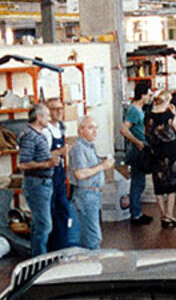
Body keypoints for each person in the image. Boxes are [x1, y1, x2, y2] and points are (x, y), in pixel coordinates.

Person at [19, 102, 62, 255]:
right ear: (38, 117)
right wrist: (48, 163)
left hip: (45, 183)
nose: (50, 118)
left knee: (40, 224)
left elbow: (40, 156)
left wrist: (53, 156)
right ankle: (39, 260)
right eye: (47, 115)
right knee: (44, 225)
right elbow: (23, 164)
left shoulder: (40, 135)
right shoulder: (30, 136)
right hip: (36, 184)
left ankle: (38, 256)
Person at [67, 115, 115, 250]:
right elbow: (80, 174)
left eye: (95, 128)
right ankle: (94, 265)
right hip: (85, 194)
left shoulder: (89, 147)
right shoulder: (79, 148)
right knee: (93, 236)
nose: (95, 131)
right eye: (90, 128)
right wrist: (102, 167)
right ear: (80, 130)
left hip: (93, 194)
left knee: (89, 233)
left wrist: (102, 161)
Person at [144, 89, 176, 227]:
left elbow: (147, 133)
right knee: (172, 183)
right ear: (167, 101)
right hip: (171, 151)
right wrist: (175, 115)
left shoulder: (148, 116)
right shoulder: (169, 115)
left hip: (155, 152)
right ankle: (169, 214)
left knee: (158, 183)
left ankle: (162, 214)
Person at [118, 81, 153, 226]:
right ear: (142, 94)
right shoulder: (134, 110)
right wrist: (138, 142)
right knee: (138, 183)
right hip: (137, 150)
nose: (150, 97)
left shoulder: (140, 109)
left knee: (140, 182)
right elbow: (124, 129)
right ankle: (135, 214)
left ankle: (137, 211)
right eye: (149, 94)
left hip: (142, 147)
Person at [45, 97, 77, 251]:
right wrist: (59, 152)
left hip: (59, 175)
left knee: (62, 211)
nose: (59, 112)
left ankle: (62, 247)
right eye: (54, 109)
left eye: (60, 108)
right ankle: (51, 251)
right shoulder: (44, 130)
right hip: (48, 175)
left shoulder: (60, 128)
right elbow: (40, 156)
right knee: (50, 214)